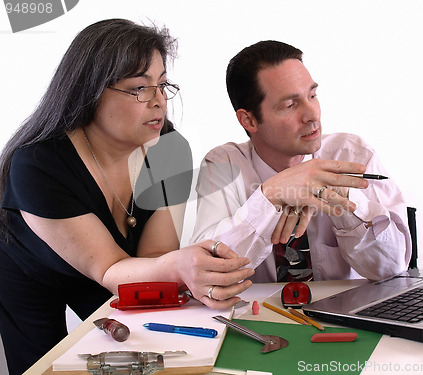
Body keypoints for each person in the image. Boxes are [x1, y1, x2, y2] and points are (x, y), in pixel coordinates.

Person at [0, 19, 253, 375]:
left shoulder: (169, 148)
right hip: (33, 270)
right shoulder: (38, 163)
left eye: (163, 85)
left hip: (119, 267)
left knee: (142, 345)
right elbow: (107, 268)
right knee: (44, 365)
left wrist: (187, 268)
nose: (159, 101)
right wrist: (181, 267)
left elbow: (154, 259)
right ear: (90, 91)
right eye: (140, 88)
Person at [191, 40, 411, 283]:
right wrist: (269, 196)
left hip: (341, 315)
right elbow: (207, 273)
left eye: (312, 95)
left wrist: (346, 199)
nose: (312, 114)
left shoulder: (352, 155)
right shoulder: (223, 166)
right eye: (290, 105)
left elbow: (392, 268)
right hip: (258, 317)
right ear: (249, 120)